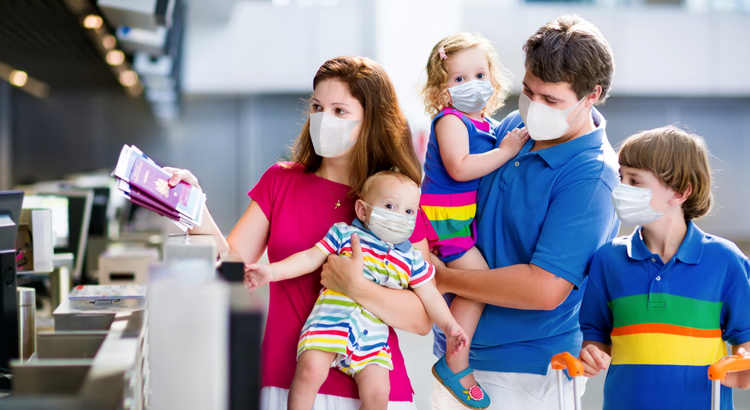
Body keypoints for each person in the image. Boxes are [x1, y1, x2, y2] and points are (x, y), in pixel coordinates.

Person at [166, 56, 433, 409]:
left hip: (377, 393)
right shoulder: (280, 181)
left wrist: (356, 286)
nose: (324, 120)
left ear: (371, 121)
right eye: (318, 107)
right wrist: (192, 204)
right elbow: (230, 266)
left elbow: (421, 318)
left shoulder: (398, 201)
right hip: (288, 384)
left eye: (340, 111)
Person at [417, 15, 621, 410]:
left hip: (528, 375)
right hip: (457, 361)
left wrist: (441, 277)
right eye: (529, 92)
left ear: (591, 96)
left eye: (551, 100)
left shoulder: (592, 176)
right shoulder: (516, 127)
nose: (534, 107)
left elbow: (544, 289)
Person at [244, 169, 470, 410]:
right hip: (329, 323)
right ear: (363, 210)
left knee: (379, 391)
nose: (399, 216)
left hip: (372, 340)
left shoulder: (412, 260)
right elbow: (310, 258)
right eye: (390, 206)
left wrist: (449, 327)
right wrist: (271, 272)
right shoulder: (345, 234)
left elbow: (429, 294)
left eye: (409, 211)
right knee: (309, 370)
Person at [578, 126, 750, 410]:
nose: (621, 189)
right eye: (621, 178)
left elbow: (745, 339)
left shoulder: (724, 260)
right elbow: (594, 335)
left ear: (680, 192)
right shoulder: (607, 260)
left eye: (635, 180)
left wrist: (743, 365)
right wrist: (592, 354)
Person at [418, 32, 527, 409]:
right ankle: (454, 362)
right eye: (459, 79)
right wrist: (505, 150)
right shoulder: (450, 121)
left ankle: (453, 353)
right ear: (442, 89)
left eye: (480, 75)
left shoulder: (481, 122)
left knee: (473, 285)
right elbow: (460, 168)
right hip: (444, 224)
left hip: (459, 224)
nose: (473, 85)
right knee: (479, 285)